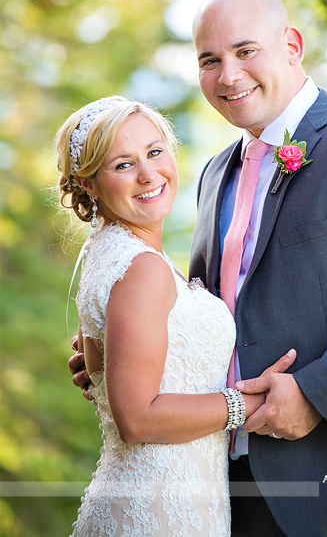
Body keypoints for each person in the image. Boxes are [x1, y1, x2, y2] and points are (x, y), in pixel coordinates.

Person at [70, 0, 327, 537]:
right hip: (226, 483)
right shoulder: (212, 174)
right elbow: (214, 310)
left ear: (293, 45)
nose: (228, 75)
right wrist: (127, 350)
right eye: (210, 60)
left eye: (245, 50)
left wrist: (314, 394)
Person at [56, 95, 295, 537]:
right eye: (122, 164)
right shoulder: (141, 267)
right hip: (161, 511)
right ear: (87, 184)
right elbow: (137, 418)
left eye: (154, 152)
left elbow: (100, 372)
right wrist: (255, 404)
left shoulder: (105, 251)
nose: (148, 174)